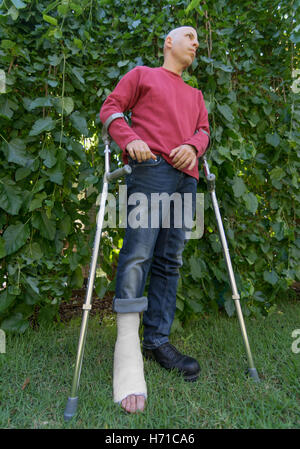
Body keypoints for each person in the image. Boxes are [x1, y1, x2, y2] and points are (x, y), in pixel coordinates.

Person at [100, 26, 210, 414]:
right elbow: (111, 109)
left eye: (197, 40)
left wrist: (194, 147)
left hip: (186, 178)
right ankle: (127, 354)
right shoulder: (142, 75)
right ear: (168, 42)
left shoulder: (196, 96)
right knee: (138, 254)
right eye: (190, 37)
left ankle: (157, 341)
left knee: (170, 259)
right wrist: (129, 138)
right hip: (151, 170)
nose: (196, 44)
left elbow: (204, 131)